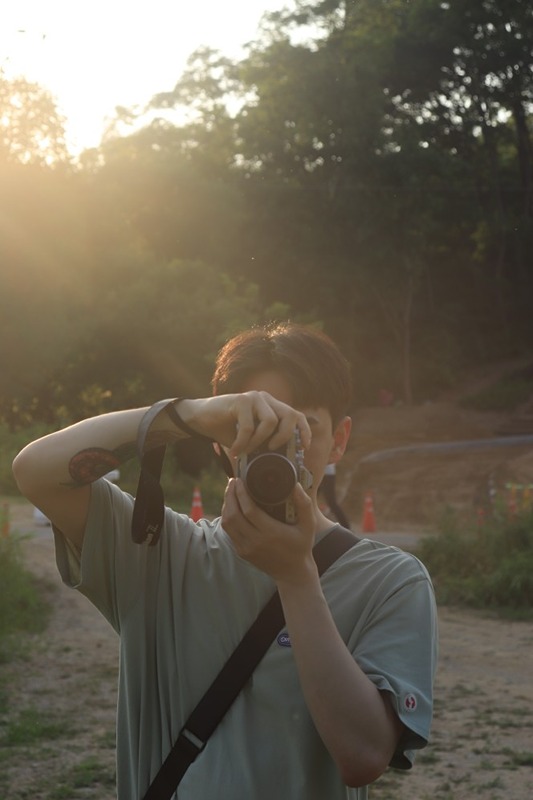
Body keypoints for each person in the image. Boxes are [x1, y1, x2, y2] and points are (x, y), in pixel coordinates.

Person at [12, 322, 438, 800]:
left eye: (301, 429)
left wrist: (297, 577)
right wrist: (187, 413)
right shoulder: (161, 552)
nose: (279, 448)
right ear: (220, 440)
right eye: (254, 427)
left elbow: (362, 757)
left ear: (338, 441)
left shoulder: (391, 581)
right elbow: (36, 471)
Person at [319, 462, 351, 529]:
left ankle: (347, 527)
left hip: (326, 474)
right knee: (331, 502)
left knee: (332, 502)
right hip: (324, 473)